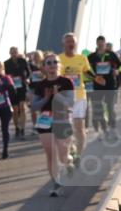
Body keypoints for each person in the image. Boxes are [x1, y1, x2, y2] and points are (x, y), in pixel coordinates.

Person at [32, 54, 75, 197]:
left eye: (54, 62)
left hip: (62, 118)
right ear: (44, 67)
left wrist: (58, 96)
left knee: (63, 157)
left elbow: (71, 103)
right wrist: (45, 98)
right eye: (48, 63)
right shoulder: (41, 85)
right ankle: (56, 184)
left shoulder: (66, 82)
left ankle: (69, 159)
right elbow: (34, 106)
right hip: (45, 120)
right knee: (51, 154)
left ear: (59, 65)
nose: (51, 65)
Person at [58, 32, 100, 162]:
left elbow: (88, 72)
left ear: (76, 44)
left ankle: (79, 156)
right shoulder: (58, 59)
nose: (71, 44)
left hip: (80, 96)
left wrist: (96, 78)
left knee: (79, 128)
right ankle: (71, 150)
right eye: (68, 41)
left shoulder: (82, 58)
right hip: (64, 98)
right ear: (63, 44)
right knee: (67, 129)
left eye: (73, 42)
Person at [88, 35, 119, 135]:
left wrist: (116, 71)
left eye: (103, 42)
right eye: (99, 42)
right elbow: (86, 70)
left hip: (110, 84)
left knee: (110, 107)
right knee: (98, 107)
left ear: (105, 43)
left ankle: (112, 127)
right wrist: (93, 77)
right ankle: (103, 127)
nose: (101, 44)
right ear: (96, 43)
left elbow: (119, 65)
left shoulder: (111, 54)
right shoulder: (91, 56)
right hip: (97, 85)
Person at [4, 47, 31, 138]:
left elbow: (28, 72)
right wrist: (8, 77)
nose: (14, 54)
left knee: (22, 107)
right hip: (12, 88)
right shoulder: (6, 63)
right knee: (15, 110)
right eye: (12, 53)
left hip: (22, 86)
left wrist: (26, 78)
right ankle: (17, 128)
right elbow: (5, 75)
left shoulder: (23, 61)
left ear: (17, 52)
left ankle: (23, 128)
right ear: (9, 53)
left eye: (15, 52)